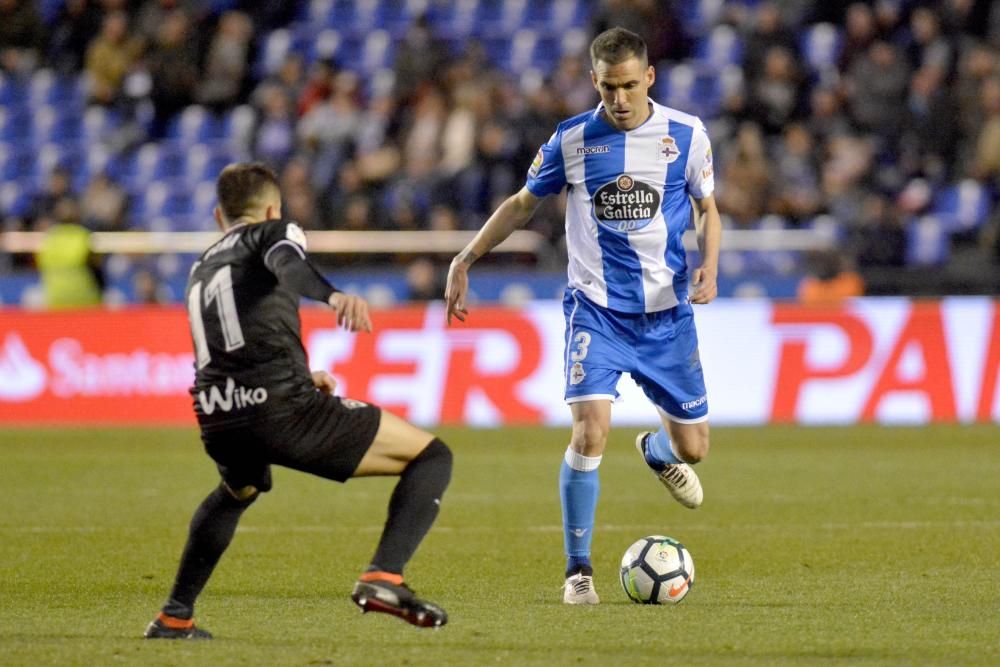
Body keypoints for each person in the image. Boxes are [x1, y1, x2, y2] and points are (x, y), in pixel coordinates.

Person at [445, 27, 721, 605]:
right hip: (596, 311)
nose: (618, 100)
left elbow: (706, 208)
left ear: (649, 77)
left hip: (667, 315)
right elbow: (523, 204)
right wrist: (466, 257)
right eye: (606, 87)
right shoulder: (572, 139)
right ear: (592, 81)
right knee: (589, 430)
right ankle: (578, 572)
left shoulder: (687, 135)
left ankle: (657, 452)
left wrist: (710, 267)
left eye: (628, 86)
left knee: (694, 448)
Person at [144, 163, 451, 639]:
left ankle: (175, 615)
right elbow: (289, 265)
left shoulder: (202, 265)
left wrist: (300, 374)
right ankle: (384, 577)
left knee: (238, 489)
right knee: (431, 456)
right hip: (279, 408)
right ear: (271, 209)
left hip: (217, 412)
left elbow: (232, 339)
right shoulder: (275, 231)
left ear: (217, 215)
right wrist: (331, 296)